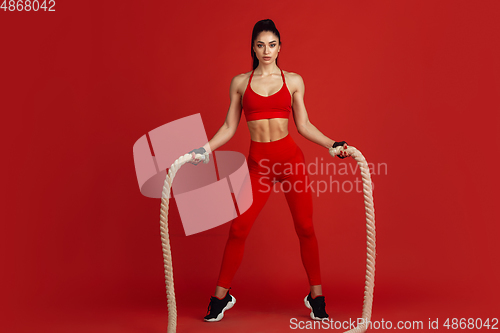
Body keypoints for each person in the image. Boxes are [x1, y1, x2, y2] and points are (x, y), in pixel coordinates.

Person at [187, 19, 350, 322]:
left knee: (305, 227)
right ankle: (220, 298)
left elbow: (304, 125)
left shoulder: (293, 81)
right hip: (258, 165)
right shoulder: (240, 82)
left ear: (279, 47)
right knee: (238, 229)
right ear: (253, 47)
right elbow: (228, 126)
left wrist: (331, 144)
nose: (266, 50)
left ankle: (316, 297)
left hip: (290, 161)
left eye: (272, 44)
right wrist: (205, 149)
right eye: (260, 45)